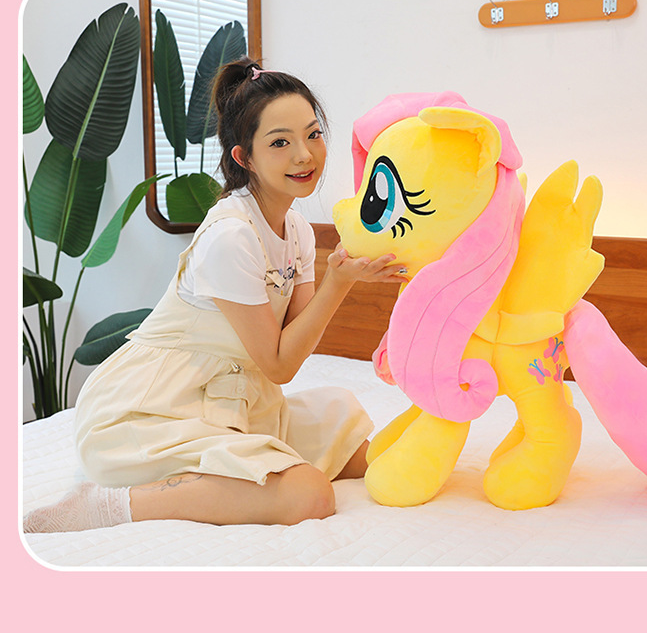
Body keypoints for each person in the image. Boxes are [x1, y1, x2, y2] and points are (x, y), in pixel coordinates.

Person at [24, 59, 406, 533]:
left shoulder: (298, 230)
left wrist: (349, 275)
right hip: (148, 412)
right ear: (244, 157)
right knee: (309, 494)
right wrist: (339, 283)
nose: (305, 155)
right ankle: (102, 506)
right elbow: (280, 365)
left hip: (234, 401)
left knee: (359, 446)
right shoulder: (231, 236)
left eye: (313, 134)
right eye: (280, 142)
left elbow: (296, 339)